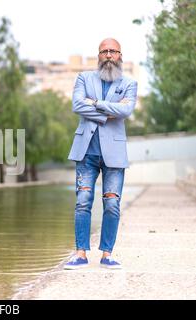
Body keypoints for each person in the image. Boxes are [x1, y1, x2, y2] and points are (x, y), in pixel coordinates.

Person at [64, 38, 138, 270]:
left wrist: (94, 103)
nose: (108, 55)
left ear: (120, 55)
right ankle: (80, 254)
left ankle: (107, 255)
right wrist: (107, 114)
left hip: (114, 154)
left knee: (112, 204)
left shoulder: (129, 83)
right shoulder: (84, 78)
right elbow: (77, 105)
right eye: (104, 51)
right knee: (83, 202)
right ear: (98, 56)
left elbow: (126, 110)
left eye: (112, 51)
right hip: (86, 152)